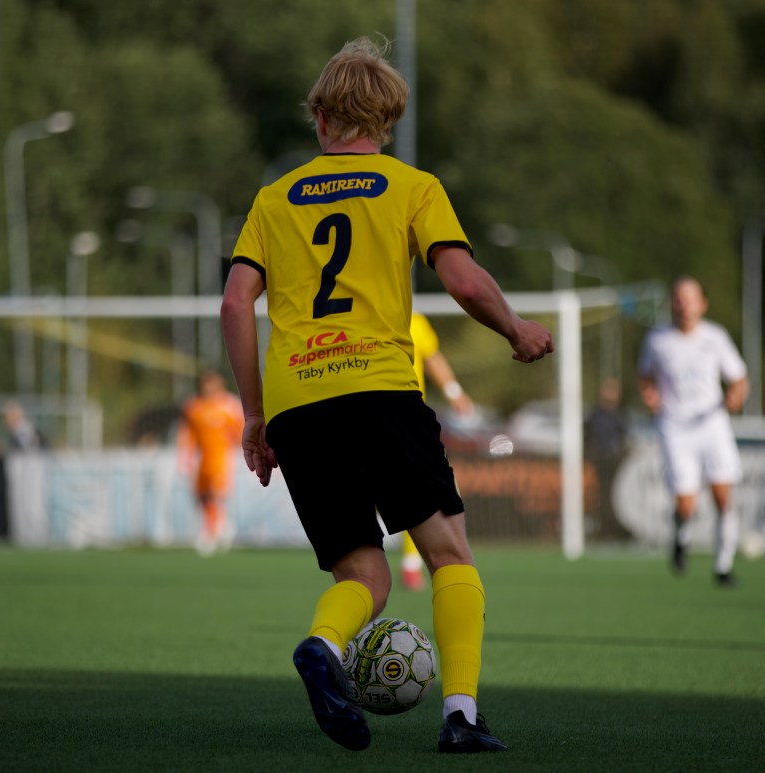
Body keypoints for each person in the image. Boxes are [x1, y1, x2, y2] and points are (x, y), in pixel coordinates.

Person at [220, 36, 554, 754]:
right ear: (388, 122)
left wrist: (254, 413)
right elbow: (463, 281)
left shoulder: (274, 199)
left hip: (299, 404)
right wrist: (516, 327)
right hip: (380, 390)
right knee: (449, 556)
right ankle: (461, 716)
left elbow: (234, 302)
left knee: (364, 572)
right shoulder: (412, 187)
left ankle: (323, 642)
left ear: (320, 120)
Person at [637, 275, 748, 586]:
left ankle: (723, 566)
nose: (684, 306)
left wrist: (736, 396)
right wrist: (649, 395)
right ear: (671, 304)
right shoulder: (657, 339)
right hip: (675, 427)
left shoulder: (716, 337)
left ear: (702, 304)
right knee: (686, 503)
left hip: (712, 424)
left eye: (690, 299)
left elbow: (739, 378)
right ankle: (681, 536)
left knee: (723, 496)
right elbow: (644, 377)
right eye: (679, 299)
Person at [400, 311, 476, 591]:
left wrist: (454, 392)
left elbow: (432, 357)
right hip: (389, 416)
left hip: (408, 417)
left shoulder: (415, 321)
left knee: (417, 491)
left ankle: (411, 564)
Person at [177, 370, 244, 555]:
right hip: (203, 458)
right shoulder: (194, 406)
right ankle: (222, 526)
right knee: (201, 495)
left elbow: (240, 431)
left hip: (223, 457)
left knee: (215, 494)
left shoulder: (230, 406)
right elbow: (187, 434)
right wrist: (186, 457)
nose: (207, 387)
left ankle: (211, 533)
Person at [583, 377, 629, 540]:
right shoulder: (595, 415)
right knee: (601, 498)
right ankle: (604, 529)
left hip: (616, 464)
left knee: (618, 497)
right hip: (600, 463)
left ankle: (617, 529)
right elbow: (587, 437)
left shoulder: (619, 416)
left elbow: (623, 439)